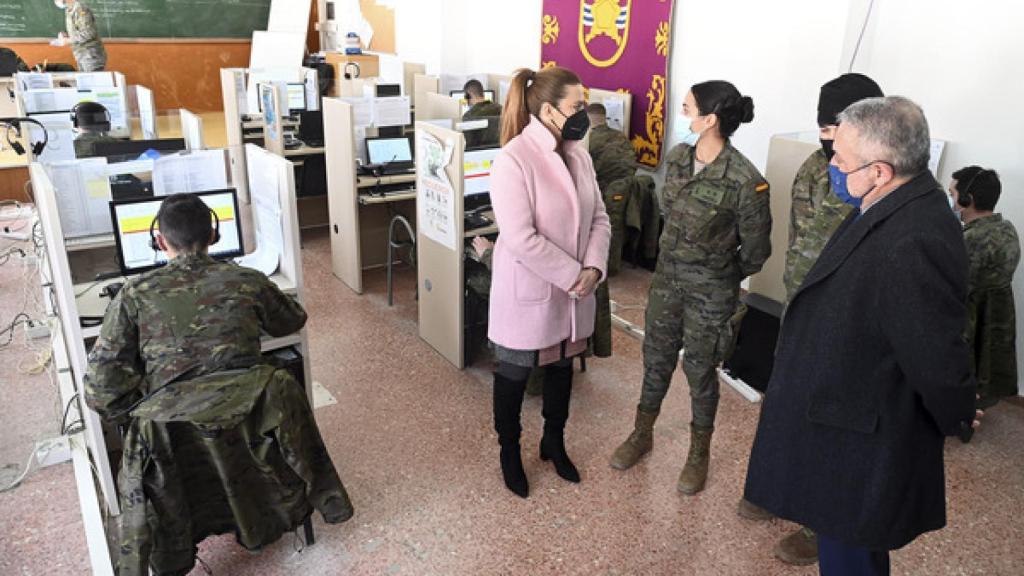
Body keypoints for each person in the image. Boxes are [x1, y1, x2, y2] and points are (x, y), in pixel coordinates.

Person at [744, 96, 982, 576]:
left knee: (851, 556)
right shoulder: (894, 204)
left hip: (861, 432)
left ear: (880, 171)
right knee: (847, 544)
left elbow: (934, 349)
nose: (831, 165)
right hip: (845, 416)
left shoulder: (916, 237)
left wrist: (957, 412)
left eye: (841, 160)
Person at [85, 194, 353, 575]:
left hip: (174, 440)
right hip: (250, 419)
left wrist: (148, 406)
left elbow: (100, 392)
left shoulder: (134, 295)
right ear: (214, 233)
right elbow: (291, 320)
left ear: (159, 241)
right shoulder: (245, 279)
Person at [737, 73, 884, 567]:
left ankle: (817, 521)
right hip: (802, 308)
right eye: (822, 128)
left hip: (851, 324)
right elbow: (799, 238)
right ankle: (777, 487)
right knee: (786, 399)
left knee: (831, 417)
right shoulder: (811, 170)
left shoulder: (882, 181)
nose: (826, 140)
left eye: (835, 128)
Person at [609, 80, 771, 496]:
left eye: (687, 109)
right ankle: (641, 434)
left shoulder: (745, 180)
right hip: (666, 283)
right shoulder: (679, 158)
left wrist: (716, 270)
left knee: (700, 371)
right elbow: (669, 215)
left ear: (709, 119)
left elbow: (755, 252)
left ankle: (698, 454)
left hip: (711, 294)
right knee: (656, 359)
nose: (682, 117)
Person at [488, 66, 611, 498]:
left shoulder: (579, 153)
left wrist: (594, 266)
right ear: (547, 110)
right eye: (576, 106)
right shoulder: (513, 159)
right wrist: (573, 275)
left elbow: (599, 216)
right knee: (516, 376)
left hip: (576, 291)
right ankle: (509, 451)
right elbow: (520, 237)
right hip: (533, 291)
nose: (583, 114)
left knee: (562, 368)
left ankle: (553, 442)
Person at [949, 166, 1020, 412]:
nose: (951, 200)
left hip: (966, 323)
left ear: (968, 199)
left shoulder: (968, 240)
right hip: (997, 322)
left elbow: (950, 287)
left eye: (952, 194)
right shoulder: (1007, 229)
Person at [54, 0, 107, 72]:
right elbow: (77, 30)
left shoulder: (81, 9)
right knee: (84, 82)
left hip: (90, 55)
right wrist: (65, 35)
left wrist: (69, 40)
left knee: (92, 82)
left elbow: (89, 33)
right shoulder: (69, 9)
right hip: (80, 54)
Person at [462, 79, 502, 148]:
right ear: (483, 94)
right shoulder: (501, 109)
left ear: (467, 96)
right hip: (499, 154)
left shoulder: (468, 117)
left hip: (477, 157)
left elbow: (468, 146)